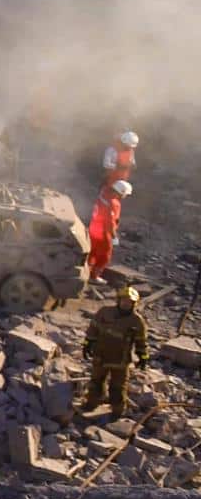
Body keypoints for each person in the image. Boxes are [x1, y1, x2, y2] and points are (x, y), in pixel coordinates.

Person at [81, 283, 151, 417]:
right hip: (100, 355)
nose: (126, 304)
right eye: (124, 300)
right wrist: (87, 344)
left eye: (129, 302)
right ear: (118, 300)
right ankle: (92, 403)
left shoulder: (137, 321)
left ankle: (117, 412)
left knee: (118, 388)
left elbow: (141, 341)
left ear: (134, 304)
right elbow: (92, 329)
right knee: (96, 382)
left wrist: (143, 357)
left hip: (120, 360)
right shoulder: (104, 312)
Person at [87, 179, 131, 283]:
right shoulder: (113, 203)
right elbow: (110, 222)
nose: (125, 197)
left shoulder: (104, 195)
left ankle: (86, 272)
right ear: (121, 192)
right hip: (103, 232)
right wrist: (114, 236)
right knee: (104, 256)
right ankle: (94, 276)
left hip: (93, 227)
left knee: (92, 252)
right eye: (125, 194)